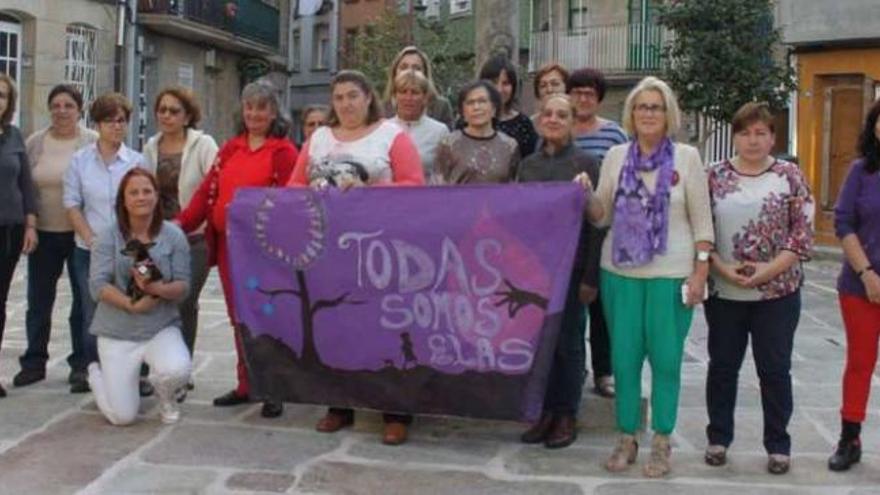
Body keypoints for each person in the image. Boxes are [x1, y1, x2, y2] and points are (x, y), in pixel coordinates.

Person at [287, 70, 423, 446]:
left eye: (352, 96)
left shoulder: (391, 136)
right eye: (339, 98)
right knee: (336, 325)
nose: (345, 104)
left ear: (368, 98)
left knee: (386, 329)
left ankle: (395, 411)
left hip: (381, 249)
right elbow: (294, 185)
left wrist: (370, 190)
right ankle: (339, 404)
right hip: (327, 249)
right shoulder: (318, 138)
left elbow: (415, 186)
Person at [586, 76, 714, 477]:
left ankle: (662, 441)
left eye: (656, 107)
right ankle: (626, 437)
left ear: (668, 113)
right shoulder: (615, 157)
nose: (648, 114)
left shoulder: (687, 159)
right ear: (631, 113)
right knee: (623, 361)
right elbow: (600, 215)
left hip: (671, 274)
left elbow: (703, 222)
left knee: (667, 361)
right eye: (642, 107)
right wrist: (584, 194)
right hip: (619, 274)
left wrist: (701, 271)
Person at [704, 102, 814, 475]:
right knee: (722, 367)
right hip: (724, 292)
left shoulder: (790, 176)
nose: (753, 140)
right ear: (734, 135)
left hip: (777, 293)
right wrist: (720, 267)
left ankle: (778, 445)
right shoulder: (713, 176)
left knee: (774, 369)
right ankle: (718, 438)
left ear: (773, 137)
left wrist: (768, 271)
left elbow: (801, 236)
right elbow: (702, 233)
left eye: (761, 133)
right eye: (746, 132)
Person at [177, 80, 298, 419]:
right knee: (238, 318)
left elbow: (289, 204)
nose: (254, 113)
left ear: (274, 112)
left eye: (261, 107)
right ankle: (246, 384)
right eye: (249, 107)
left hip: (264, 253)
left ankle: (272, 387)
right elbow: (206, 193)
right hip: (231, 250)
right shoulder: (231, 149)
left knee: (267, 318)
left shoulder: (283, 152)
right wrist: (179, 225)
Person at [517, 94, 601, 448]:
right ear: (539, 120)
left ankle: (567, 413)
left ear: (572, 121)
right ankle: (546, 412)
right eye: (548, 113)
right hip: (537, 268)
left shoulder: (587, 164)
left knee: (568, 343)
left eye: (561, 115)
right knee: (540, 345)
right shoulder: (528, 166)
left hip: (573, 268)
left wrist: (590, 276)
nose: (553, 119)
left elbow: (598, 224)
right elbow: (517, 219)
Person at [87, 168, 192, 425]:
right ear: (123, 200)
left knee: (176, 369)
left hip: (159, 326)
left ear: (157, 196)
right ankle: (96, 375)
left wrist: (157, 290)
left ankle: (166, 396)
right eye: (133, 192)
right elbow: (97, 285)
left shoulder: (173, 235)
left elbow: (184, 286)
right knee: (122, 417)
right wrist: (131, 305)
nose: (141, 197)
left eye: (147, 191)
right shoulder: (107, 237)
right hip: (117, 330)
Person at [12, 85, 97, 389]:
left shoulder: (91, 142)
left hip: (79, 235)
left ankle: (81, 364)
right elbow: (25, 186)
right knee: (38, 300)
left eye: (68, 105)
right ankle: (34, 362)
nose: (61, 111)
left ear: (79, 109)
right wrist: (29, 225)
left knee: (81, 303)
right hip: (43, 233)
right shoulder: (35, 142)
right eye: (56, 105)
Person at [63, 92, 146, 394]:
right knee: (91, 310)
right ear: (97, 124)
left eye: (121, 120)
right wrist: (90, 238)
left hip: (134, 249)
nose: (116, 126)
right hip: (90, 249)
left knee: (139, 306)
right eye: (109, 120)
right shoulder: (80, 161)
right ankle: (92, 370)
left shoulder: (137, 161)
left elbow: (146, 204)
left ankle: (138, 373)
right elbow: (72, 204)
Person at [143, 87, 219, 366]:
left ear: (187, 116)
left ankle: (182, 365)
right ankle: (160, 362)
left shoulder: (204, 145)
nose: (166, 115)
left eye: (174, 110)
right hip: (158, 237)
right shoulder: (151, 146)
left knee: (184, 300)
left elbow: (215, 186)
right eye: (161, 110)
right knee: (156, 299)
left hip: (194, 238)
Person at [569, 67, 628, 398]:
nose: (583, 98)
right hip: (566, 235)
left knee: (603, 309)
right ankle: (577, 368)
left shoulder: (615, 134)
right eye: (577, 92)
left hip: (604, 231)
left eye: (589, 93)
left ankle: (605, 372)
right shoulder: (558, 131)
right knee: (572, 309)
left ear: (599, 98)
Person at [828, 98, 880, 472]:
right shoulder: (861, 171)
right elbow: (843, 223)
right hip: (860, 286)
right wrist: (867, 274)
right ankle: (850, 438)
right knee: (860, 363)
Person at [0, 74, 38, 398]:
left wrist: (30, 224)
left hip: (9, 230)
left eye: (2, 96)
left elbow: (26, 184)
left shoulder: (13, 136)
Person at [433, 80, 519, 185]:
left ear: (494, 108)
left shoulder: (509, 146)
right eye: (470, 103)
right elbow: (438, 185)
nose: (476, 107)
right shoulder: (448, 144)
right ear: (463, 111)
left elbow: (513, 187)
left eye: (482, 101)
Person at [389, 69, 449, 180]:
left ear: (425, 97)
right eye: (403, 92)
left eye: (415, 92)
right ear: (395, 96)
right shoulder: (383, 129)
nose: (408, 98)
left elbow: (444, 174)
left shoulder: (439, 131)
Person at [479, 55, 538, 158]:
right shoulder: (468, 120)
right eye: (494, 82)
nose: (499, 89)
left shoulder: (523, 124)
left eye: (505, 83)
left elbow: (530, 163)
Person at [382, 46, 455, 128]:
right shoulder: (382, 108)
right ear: (395, 71)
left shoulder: (440, 107)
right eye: (404, 67)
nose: (410, 71)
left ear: (425, 73)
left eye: (416, 68)